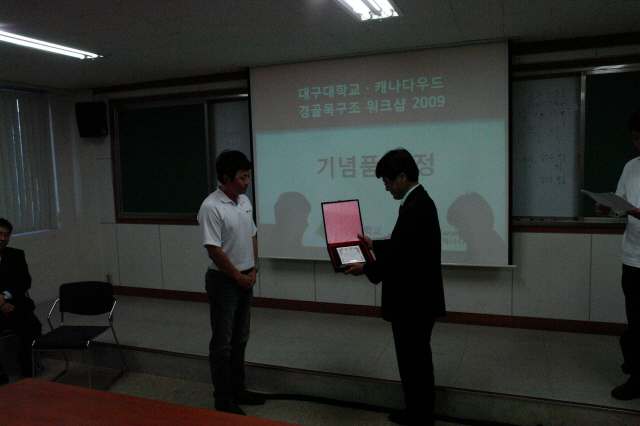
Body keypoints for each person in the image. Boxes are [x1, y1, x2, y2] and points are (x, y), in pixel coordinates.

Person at [344, 148, 446, 426]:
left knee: (415, 361)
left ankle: (420, 416)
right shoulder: (417, 201)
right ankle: (416, 411)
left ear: (402, 177)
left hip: (413, 302)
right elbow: (406, 245)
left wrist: (366, 268)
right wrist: (374, 245)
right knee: (413, 360)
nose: (387, 188)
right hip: (415, 300)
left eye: (388, 182)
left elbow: (402, 258)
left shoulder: (417, 206)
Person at [197, 150, 265, 415]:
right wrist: (237, 276)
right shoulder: (211, 207)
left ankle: (239, 390)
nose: (247, 182)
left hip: (246, 277)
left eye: (248, 176)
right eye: (242, 177)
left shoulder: (244, 201)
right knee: (222, 344)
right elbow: (214, 249)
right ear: (226, 178)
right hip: (224, 282)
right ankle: (223, 400)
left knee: (240, 339)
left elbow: (253, 235)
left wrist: (253, 269)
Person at [596, 109, 640, 400]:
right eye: (635, 138)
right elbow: (621, 203)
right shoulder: (631, 166)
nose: (638, 144)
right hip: (633, 256)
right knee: (636, 323)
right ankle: (637, 377)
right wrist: (607, 208)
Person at [0, 218, 42, 384]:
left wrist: (5, 296)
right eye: (0, 234)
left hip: (14, 302)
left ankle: (25, 361)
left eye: (6, 235)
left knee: (32, 326)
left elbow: (24, 282)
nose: (3, 238)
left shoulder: (16, 255)